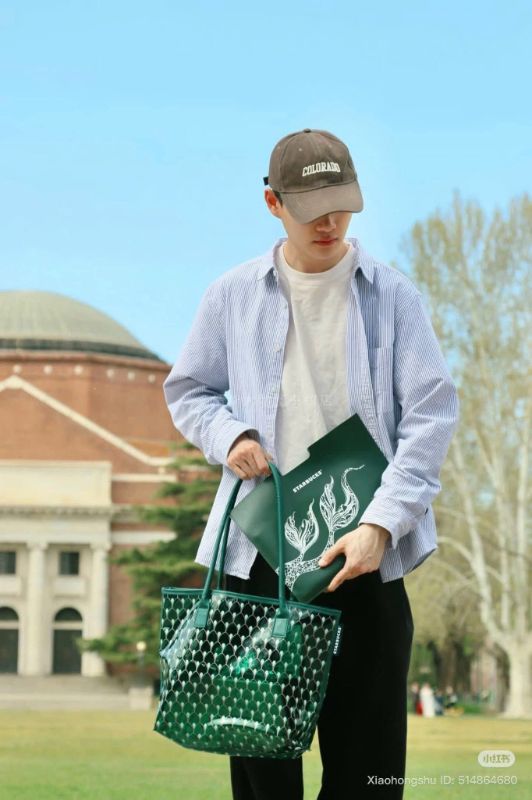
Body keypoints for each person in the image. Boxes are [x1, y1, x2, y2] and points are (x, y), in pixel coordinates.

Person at [163, 129, 460, 799]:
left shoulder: (395, 297)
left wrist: (382, 525)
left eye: (343, 204)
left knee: (370, 776)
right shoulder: (231, 295)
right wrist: (229, 434)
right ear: (273, 204)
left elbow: (432, 415)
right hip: (261, 558)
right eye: (310, 207)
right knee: (264, 775)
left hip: (367, 555)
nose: (330, 222)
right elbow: (189, 391)